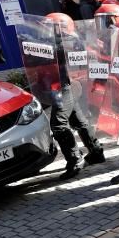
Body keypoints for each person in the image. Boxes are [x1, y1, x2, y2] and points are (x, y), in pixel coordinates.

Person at [41, 13, 105, 180]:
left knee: (59, 125)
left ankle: (75, 159)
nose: (46, 29)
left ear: (60, 26)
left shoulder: (69, 41)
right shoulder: (55, 41)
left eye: (50, 26)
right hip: (62, 84)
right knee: (78, 120)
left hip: (67, 85)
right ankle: (96, 151)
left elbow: (66, 53)